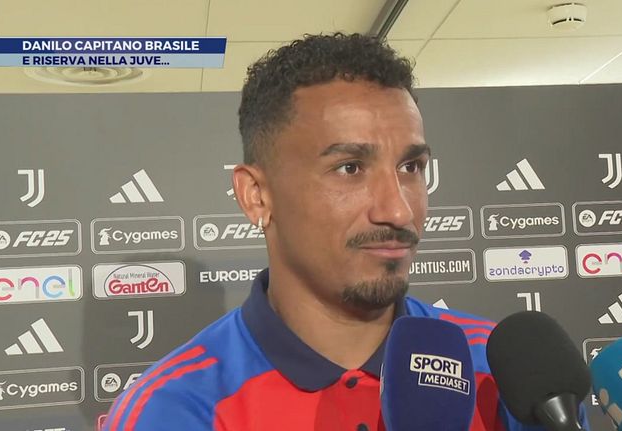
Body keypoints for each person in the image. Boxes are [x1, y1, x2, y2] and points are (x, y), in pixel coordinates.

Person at [103, 32, 589, 431]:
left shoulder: (506, 376)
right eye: (350, 168)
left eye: (412, 167)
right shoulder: (173, 409)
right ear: (257, 196)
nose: (398, 209)